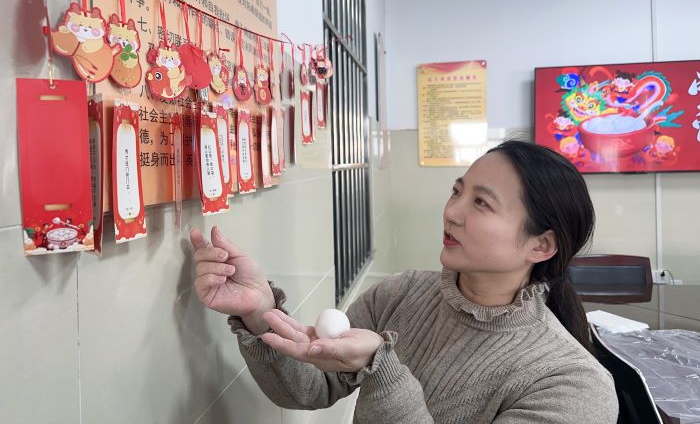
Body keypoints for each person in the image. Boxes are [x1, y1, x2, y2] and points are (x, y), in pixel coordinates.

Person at [191, 140, 618, 423]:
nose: (451, 212)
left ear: (541, 245)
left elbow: (379, 371)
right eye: (457, 191)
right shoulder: (402, 293)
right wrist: (259, 310)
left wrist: (383, 370)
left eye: (481, 203)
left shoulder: (573, 385)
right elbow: (310, 388)